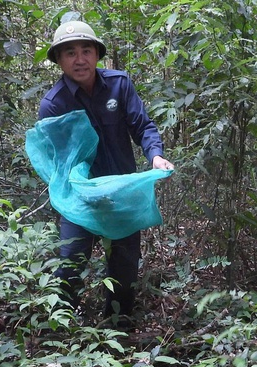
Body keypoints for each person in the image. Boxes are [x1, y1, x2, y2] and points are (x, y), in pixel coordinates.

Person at [39, 19, 175, 330]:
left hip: (121, 195)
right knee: (71, 261)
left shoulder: (119, 84)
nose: (79, 59)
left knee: (124, 266)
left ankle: (119, 328)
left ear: (97, 55)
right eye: (70, 53)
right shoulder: (53, 104)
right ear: (59, 60)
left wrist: (155, 156)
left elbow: (143, 126)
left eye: (86, 50)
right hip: (80, 198)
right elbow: (55, 159)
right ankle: (62, 333)